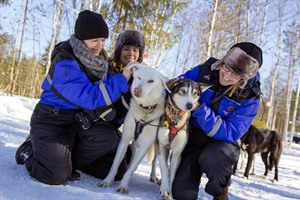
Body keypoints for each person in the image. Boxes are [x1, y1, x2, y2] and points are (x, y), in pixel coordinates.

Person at [14, 10, 143, 186]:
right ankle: (29, 150)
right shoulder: (65, 61)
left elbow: (111, 100)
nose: (100, 46)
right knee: (56, 175)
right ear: (81, 39)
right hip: (52, 120)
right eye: (94, 41)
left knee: (112, 155)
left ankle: (64, 159)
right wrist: (123, 79)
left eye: (103, 40)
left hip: (79, 121)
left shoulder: (100, 62)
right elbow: (91, 97)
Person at [172, 42, 263, 200]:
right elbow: (177, 84)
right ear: (223, 61)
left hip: (221, 145)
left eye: (235, 74)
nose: (227, 76)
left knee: (216, 156)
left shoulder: (250, 96)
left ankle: (220, 189)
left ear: (244, 78)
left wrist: (200, 110)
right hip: (193, 140)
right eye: (226, 67)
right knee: (181, 195)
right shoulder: (203, 71)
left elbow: (231, 132)